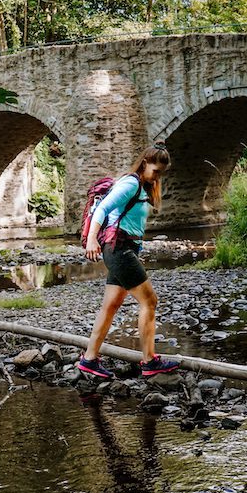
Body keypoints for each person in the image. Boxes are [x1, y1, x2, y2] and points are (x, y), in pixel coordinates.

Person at [78, 142, 178, 379]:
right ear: (144, 164)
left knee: (111, 305)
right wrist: (91, 240)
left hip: (123, 249)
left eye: (161, 173)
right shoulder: (131, 183)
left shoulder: (142, 186)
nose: (157, 177)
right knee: (150, 301)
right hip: (119, 249)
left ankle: (89, 360)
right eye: (155, 171)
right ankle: (149, 361)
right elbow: (102, 209)